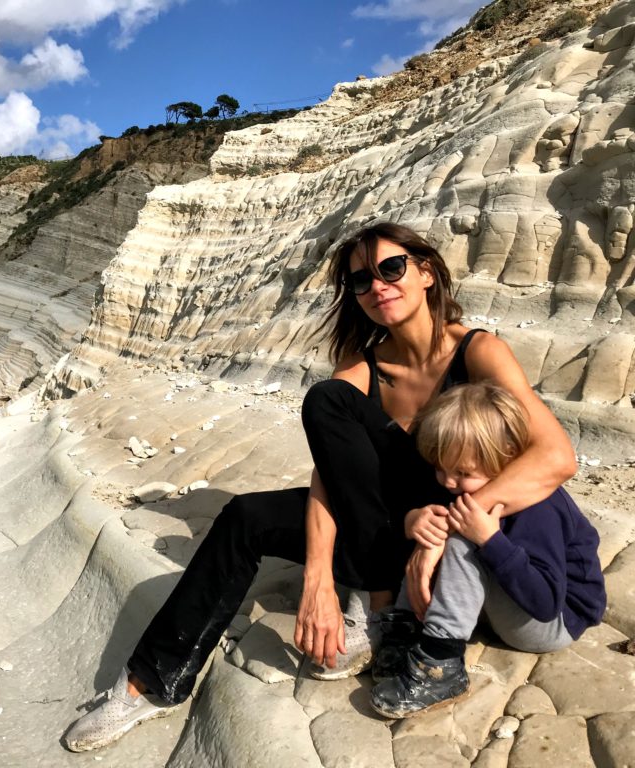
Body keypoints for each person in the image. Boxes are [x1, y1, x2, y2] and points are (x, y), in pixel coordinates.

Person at [63, 222, 577, 753]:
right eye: (360, 281)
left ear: (425, 272)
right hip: (387, 523)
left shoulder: (477, 351)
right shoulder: (364, 365)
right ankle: (150, 683)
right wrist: (317, 583)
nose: (377, 286)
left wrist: (449, 533)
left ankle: (379, 612)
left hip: (456, 524)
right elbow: (330, 474)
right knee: (251, 508)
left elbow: (555, 456)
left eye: (391, 268)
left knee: (338, 428)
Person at [369, 382, 606, 718]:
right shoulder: (469, 482)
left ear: (507, 457)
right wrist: (418, 520)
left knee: (462, 538)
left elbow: (545, 602)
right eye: (440, 468)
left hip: (556, 620)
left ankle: (440, 663)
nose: (448, 482)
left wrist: (491, 541)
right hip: (513, 603)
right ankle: (408, 630)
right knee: (436, 526)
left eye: (462, 473)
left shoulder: (540, 509)